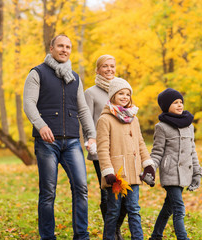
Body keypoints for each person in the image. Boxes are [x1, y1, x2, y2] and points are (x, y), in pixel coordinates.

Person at [23, 34, 96, 240]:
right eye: (61, 46)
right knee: (48, 193)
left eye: (68, 47)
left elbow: (82, 110)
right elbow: (29, 104)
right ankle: (48, 237)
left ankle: (81, 236)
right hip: (47, 143)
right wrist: (41, 125)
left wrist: (90, 135)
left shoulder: (75, 77)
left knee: (81, 188)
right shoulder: (37, 73)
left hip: (73, 141)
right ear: (51, 48)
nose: (65, 50)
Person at [96, 78, 155, 240]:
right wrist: (108, 172)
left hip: (134, 173)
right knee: (114, 211)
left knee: (134, 209)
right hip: (116, 177)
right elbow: (102, 149)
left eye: (128, 94)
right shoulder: (105, 119)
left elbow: (141, 143)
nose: (125, 97)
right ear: (113, 95)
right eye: (121, 93)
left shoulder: (133, 119)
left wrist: (148, 164)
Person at [148, 88, 202, 240]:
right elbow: (157, 152)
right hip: (170, 173)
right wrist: (150, 169)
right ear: (166, 106)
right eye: (175, 102)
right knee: (179, 208)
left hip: (185, 172)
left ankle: (156, 236)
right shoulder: (162, 127)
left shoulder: (189, 126)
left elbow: (192, 151)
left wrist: (197, 172)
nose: (179, 105)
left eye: (181, 102)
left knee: (168, 208)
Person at [84, 55, 126, 239]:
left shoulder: (121, 90)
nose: (109, 69)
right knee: (109, 192)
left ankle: (115, 227)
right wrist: (89, 141)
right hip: (100, 150)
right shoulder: (91, 93)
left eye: (112, 66)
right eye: (105, 66)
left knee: (124, 194)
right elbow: (85, 120)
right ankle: (112, 233)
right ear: (97, 70)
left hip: (121, 149)